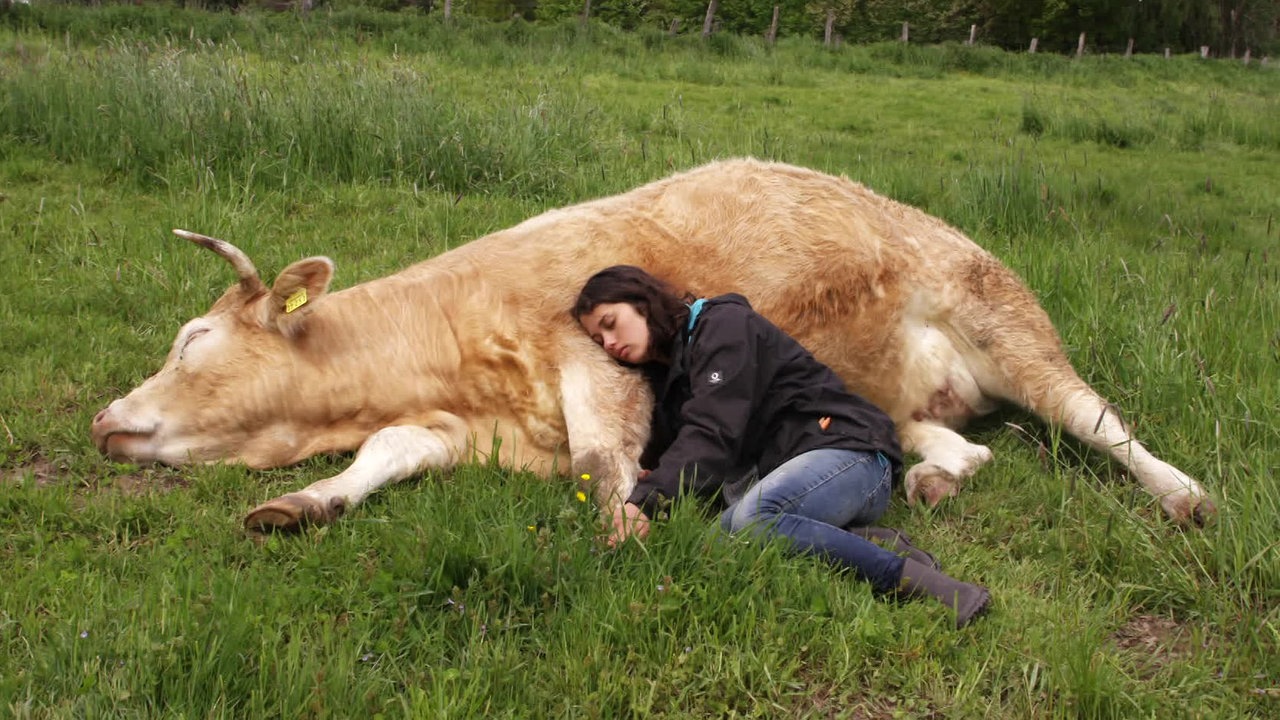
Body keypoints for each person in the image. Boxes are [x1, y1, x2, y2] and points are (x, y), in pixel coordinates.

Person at [572, 265, 990, 628]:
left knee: (749, 524)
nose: (608, 343)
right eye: (597, 340)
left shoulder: (723, 328)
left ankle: (931, 586)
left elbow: (711, 432)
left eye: (610, 323)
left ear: (642, 301)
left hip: (851, 453)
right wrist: (654, 473)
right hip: (798, 479)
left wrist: (645, 501)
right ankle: (871, 539)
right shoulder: (671, 376)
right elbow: (686, 448)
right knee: (714, 542)